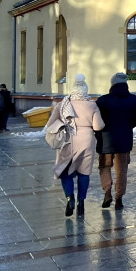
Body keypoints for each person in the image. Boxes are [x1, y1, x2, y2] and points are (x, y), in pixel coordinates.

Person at [45, 74, 103, 217]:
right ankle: (81, 202)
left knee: (66, 171)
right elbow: (98, 126)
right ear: (86, 90)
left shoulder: (63, 104)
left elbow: (50, 124)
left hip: (68, 141)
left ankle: (70, 198)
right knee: (84, 172)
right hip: (86, 141)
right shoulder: (92, 105)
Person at [95, 73, 136, 210]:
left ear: (112, 84)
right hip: (124, 142)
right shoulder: (134, 100)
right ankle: (119, 199)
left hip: (105, 141)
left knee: (104, 168)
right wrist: (128, 126)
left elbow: (96, 122)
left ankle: (107, 193)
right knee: (121, 171)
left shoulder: (102, 101)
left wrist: (98, 133)